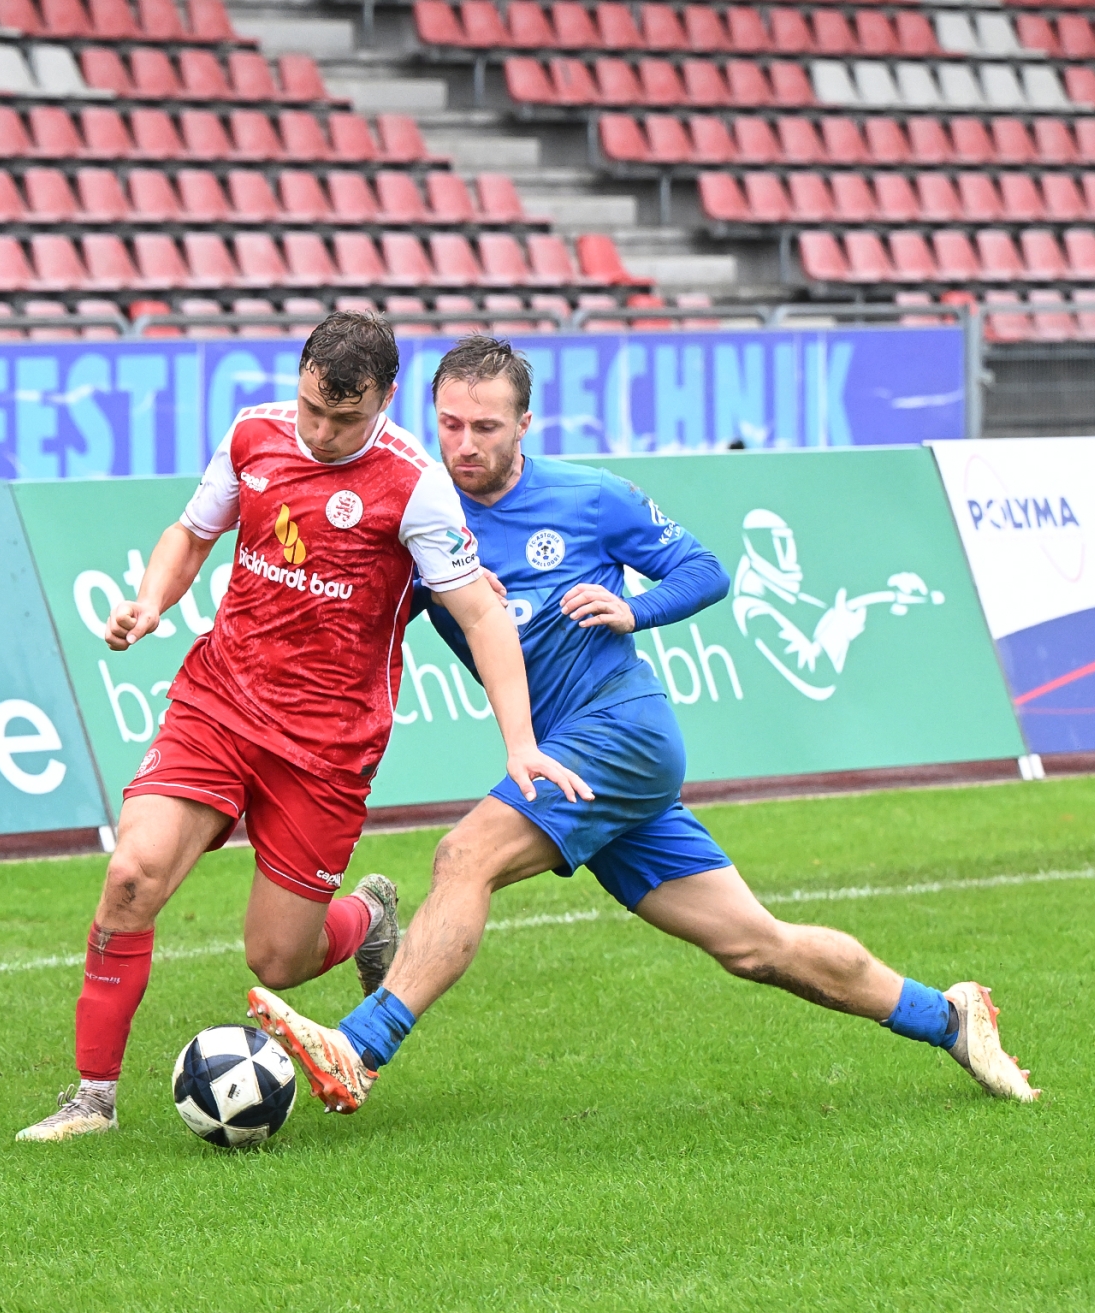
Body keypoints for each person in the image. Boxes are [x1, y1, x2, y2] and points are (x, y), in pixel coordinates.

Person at [248, 335, 1038, 1109]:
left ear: (524, 424)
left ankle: (360, 1047)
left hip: (621, 732)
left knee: (464, 855)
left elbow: (705, 569)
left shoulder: (590, 496)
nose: (464, 444)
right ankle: (949, 1016)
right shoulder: (423, 515)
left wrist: (635, 609)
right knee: (755, 944)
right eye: (450, 424)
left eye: (485, 426)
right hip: (573, 758)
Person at [15, 314, 591, 1142]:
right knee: (132, 876)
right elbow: (192, 532)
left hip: (326, 747)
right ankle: (92, 1099)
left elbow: (481, 614)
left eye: (344, 420)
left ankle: (367, 916)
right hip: (219, 704)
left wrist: (521, 742)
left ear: (387, 399)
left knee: (278, 959)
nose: (321, 433)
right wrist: (151, 601)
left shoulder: (415, 486)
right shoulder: (255, 434)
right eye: (312, 409)